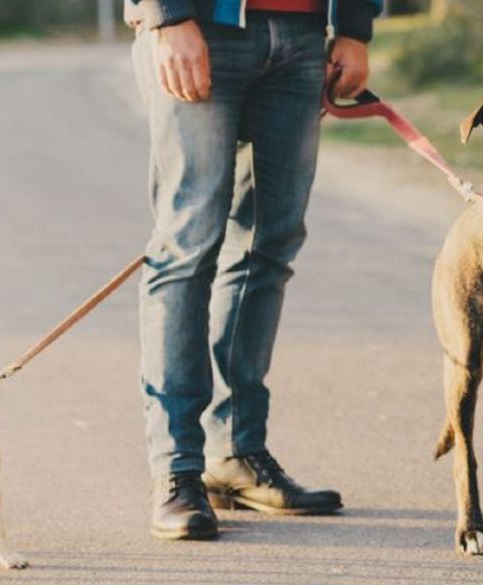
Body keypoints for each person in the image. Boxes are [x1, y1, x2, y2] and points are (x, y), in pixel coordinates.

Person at [124, 0, 381, 540]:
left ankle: (236, 451)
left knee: (270, 243)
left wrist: (355, 27)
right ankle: (177, 469)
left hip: (305, 35)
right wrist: (166, 15)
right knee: (188, 246)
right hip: (200, 26)